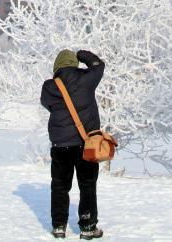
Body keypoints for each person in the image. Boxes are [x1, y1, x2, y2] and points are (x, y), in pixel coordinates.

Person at [40, 49, 105, 240]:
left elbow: (47, 104)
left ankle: (59, 226)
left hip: (60, 145)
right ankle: (88, 226)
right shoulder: (86, 78)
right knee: (87, 186)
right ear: (74, 64)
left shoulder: (49, 87)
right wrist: (82, 54)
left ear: (57, 67)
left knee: (59, 186)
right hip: (86, 144)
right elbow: (99, 66)